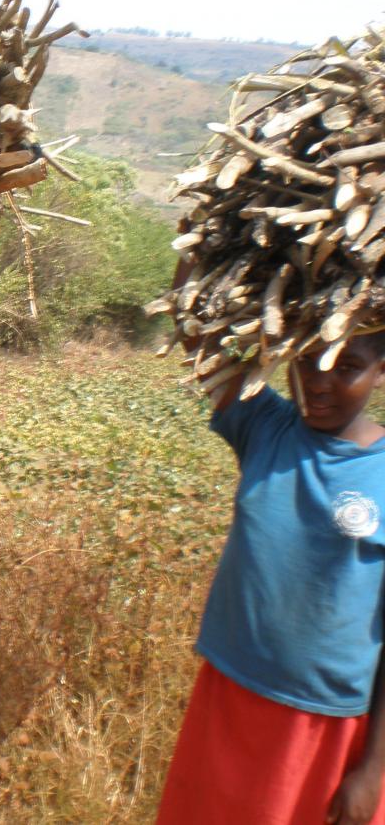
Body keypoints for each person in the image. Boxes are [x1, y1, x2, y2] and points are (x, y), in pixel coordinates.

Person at [156, 257, 385, 824]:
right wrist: (207, 241)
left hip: (327, 722)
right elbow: (196, 331)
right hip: (231, 693)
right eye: (307, 359)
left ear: (381, 371)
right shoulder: (265, 427)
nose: (319, 382)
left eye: (347, 366)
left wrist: (374, 771)